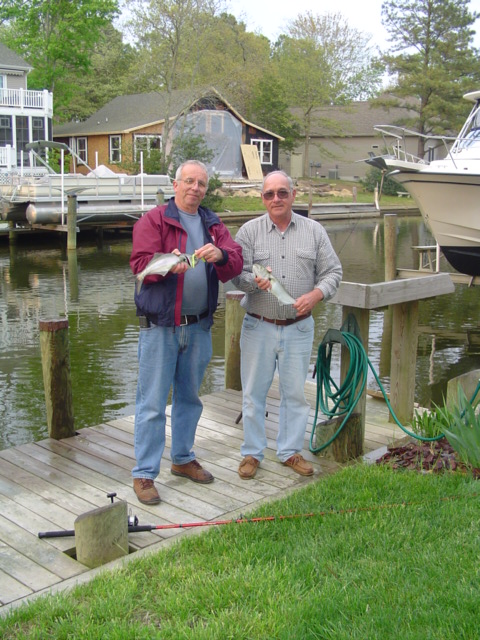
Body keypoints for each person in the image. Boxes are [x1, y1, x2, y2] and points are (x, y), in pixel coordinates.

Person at [130, 160, 243, 504]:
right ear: (175, 184)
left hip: (198, 327)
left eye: (202, 184)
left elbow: (236, 262)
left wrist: (221, 254)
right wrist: (168, 265)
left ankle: (182, 459)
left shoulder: (212, 223)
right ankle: (145, 474)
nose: (195, 188)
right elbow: (140, 265)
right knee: (151, 403)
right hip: (161, 328)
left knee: (190, 398)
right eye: (189, 181)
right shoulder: (154, 220)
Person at [231, 170, 342, 480]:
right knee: (253, 393)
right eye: (269, 194)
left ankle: (290, 451)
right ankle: (252, 452)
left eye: (282, 192)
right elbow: (236, 275)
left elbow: (333, 272)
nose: (276, 198)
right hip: (258, 325)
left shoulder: (315, 231)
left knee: (294, 393)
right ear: (263, 198)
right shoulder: (249, 232)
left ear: (293, 195)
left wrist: (317, 294)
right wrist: (254, 282)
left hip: (299, 327)